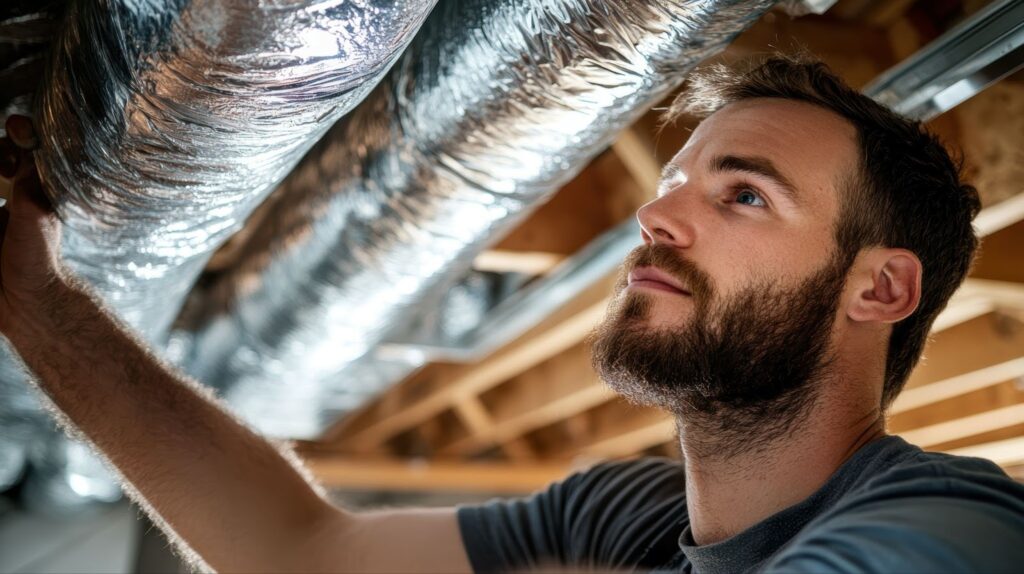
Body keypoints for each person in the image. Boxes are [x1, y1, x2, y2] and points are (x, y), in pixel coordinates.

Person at [1, 55, 1022, 573]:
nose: (655, 215)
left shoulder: (952, 529)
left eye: (742, 194)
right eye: (670, 183)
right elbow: (298, 547)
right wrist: (37, 304)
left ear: (877, 288)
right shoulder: (625, 519)